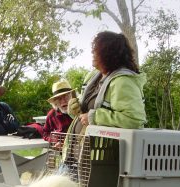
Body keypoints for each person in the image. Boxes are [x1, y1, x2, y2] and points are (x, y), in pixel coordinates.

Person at [62, 31, 147, 169]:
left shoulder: (123, 82)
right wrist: (75, 109)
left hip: (99, 164)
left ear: (109, 53)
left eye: (96, 50)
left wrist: (94, 116)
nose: (92, 53)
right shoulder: (93, 77)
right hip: (74, 158)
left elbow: (134, 119)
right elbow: (87, 113)